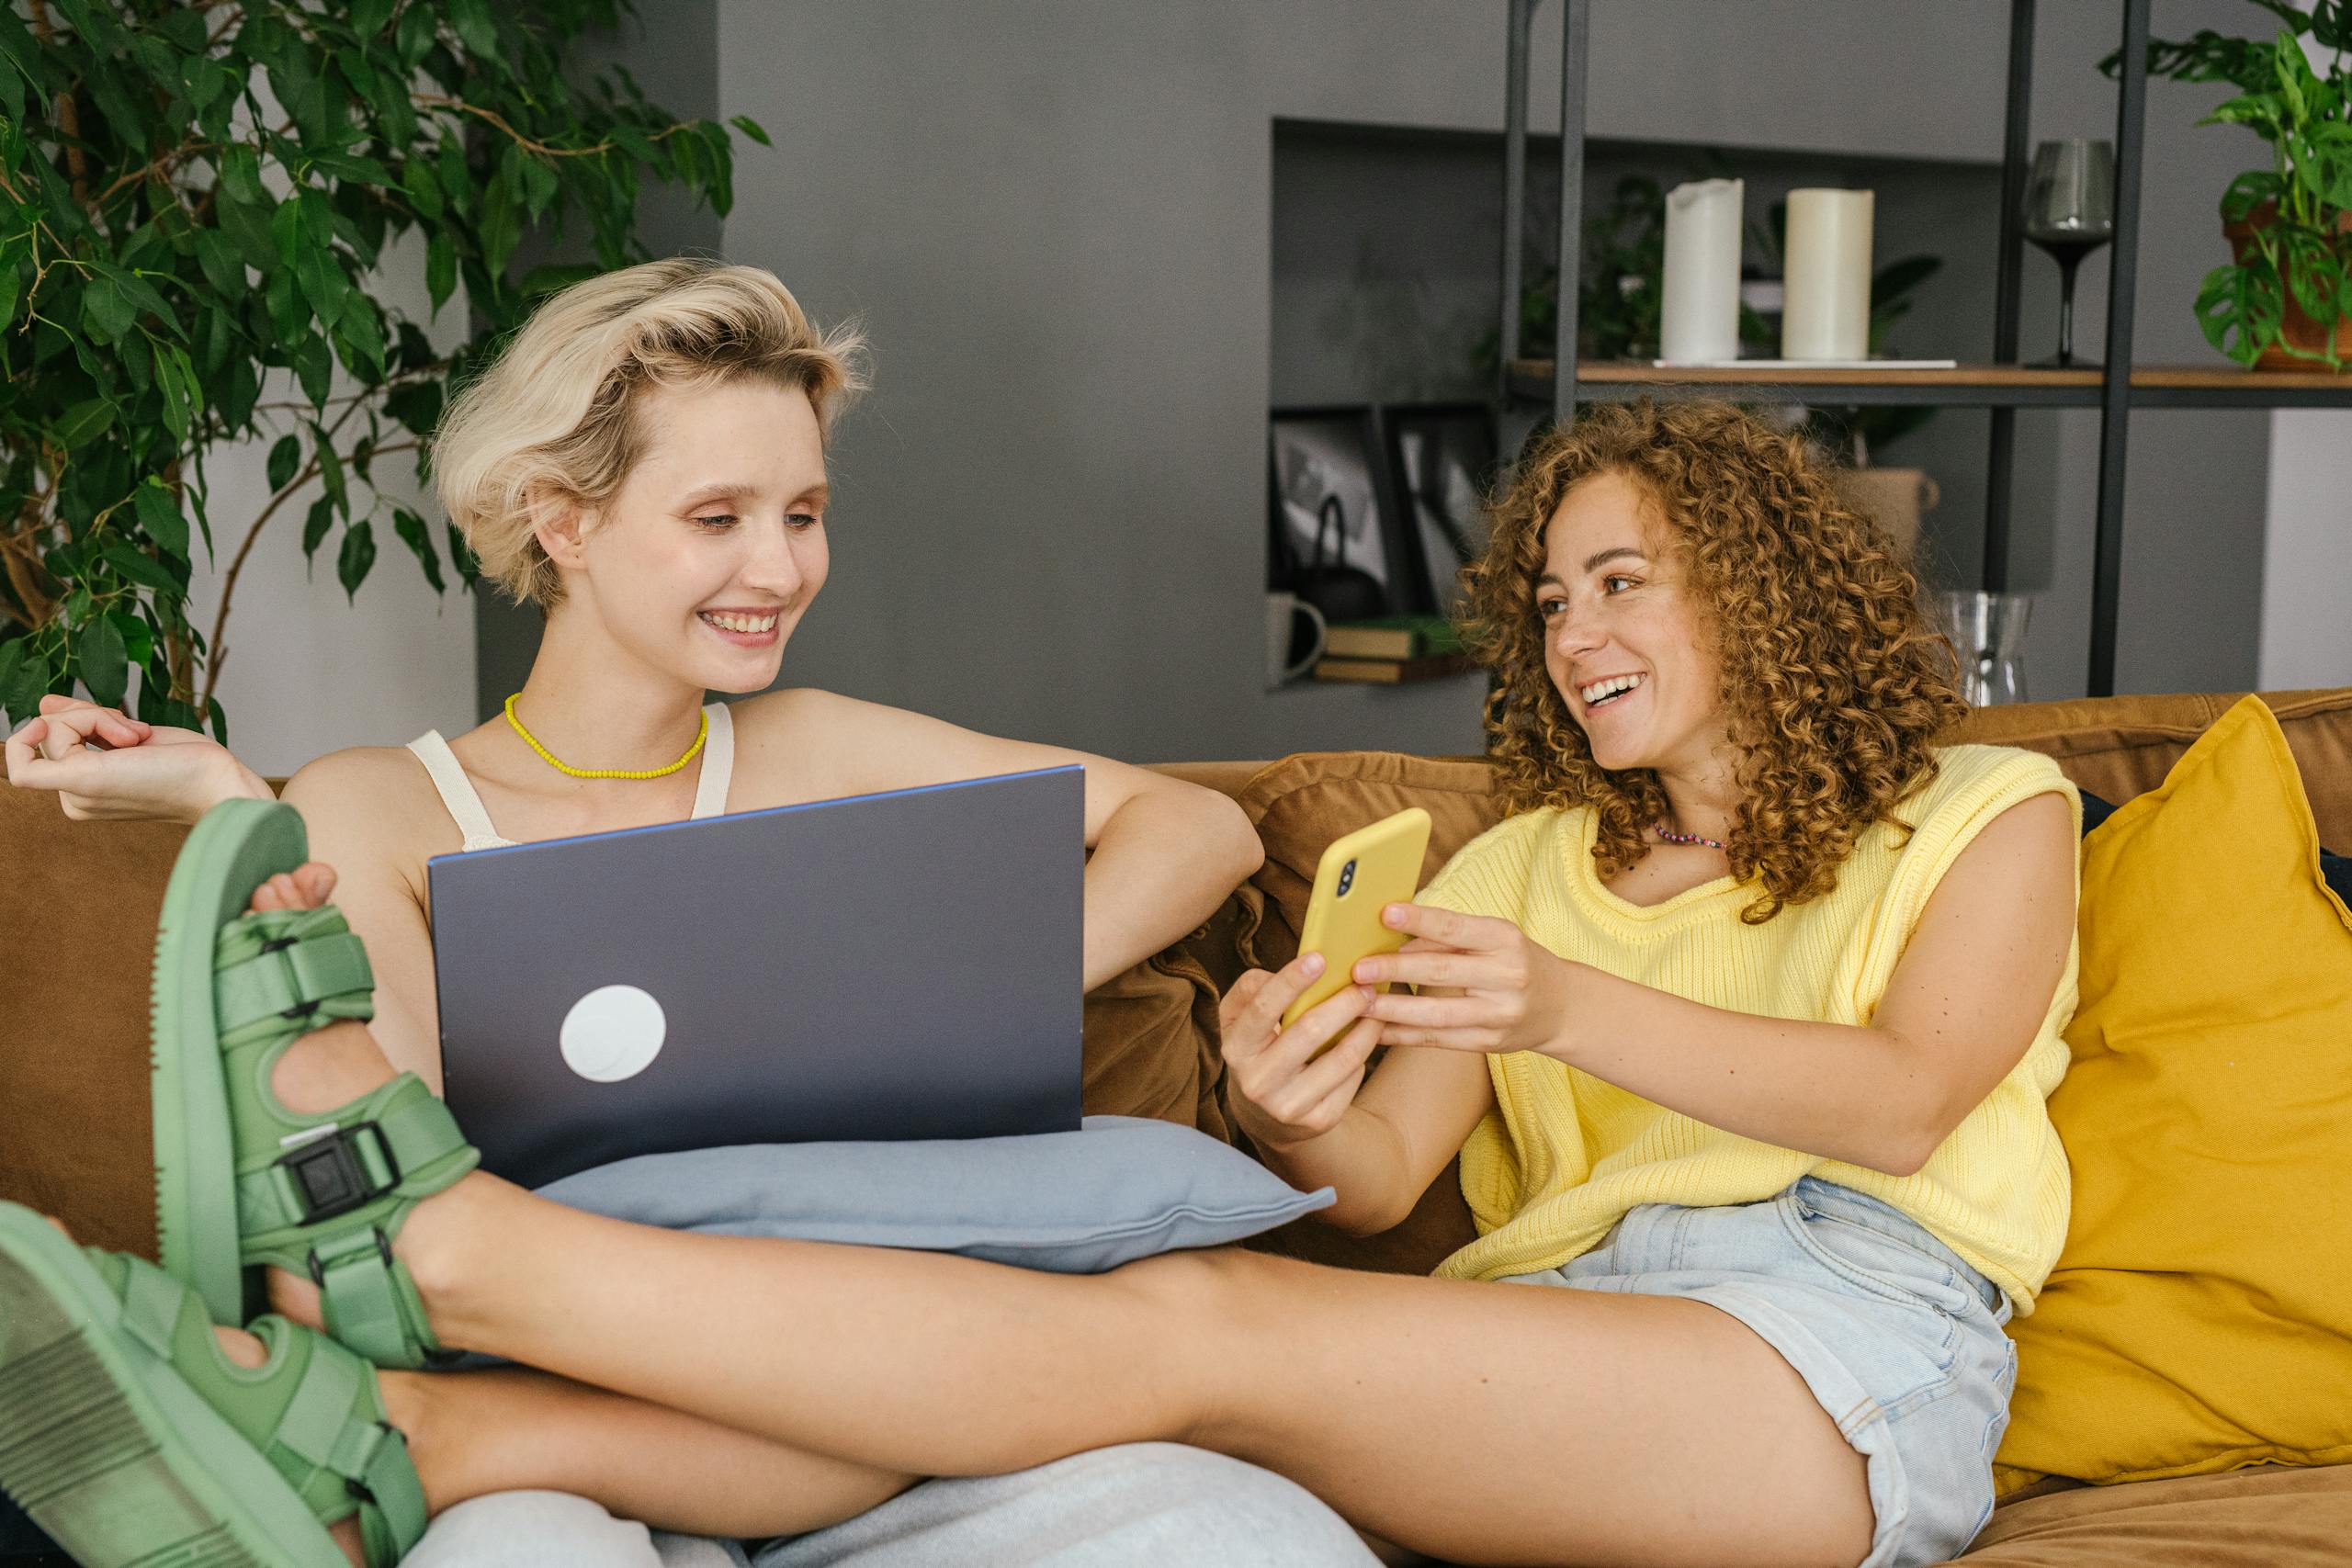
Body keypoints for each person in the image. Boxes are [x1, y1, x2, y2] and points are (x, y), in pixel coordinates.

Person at [4, 397, 2080, 1568]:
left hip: (1837, 1342)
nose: (1569, 633)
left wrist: (1557, 1009)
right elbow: (1376, 1183)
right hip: (1560, 1338)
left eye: (1621, 580)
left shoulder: (1988, 806)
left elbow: (1901, 1097)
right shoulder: (1524, 856)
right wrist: (1284, 1100)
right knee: (1098, 1333)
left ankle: (445, 1275)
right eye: (1548, 596)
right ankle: (396, 1431)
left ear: (1765, 577)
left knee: (1191, 1326)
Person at [2, 259, 1380, 1568]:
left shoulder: (814, 747)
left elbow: (1195, 828)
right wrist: (248, 806)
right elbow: (398, 1154)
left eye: (804, 512)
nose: (778, 570)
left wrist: (976, 995)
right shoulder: (391, 810)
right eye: (717, 519)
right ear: (565, 519)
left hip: (919, 1401)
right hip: (573, 1431)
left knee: (1248, 1539)